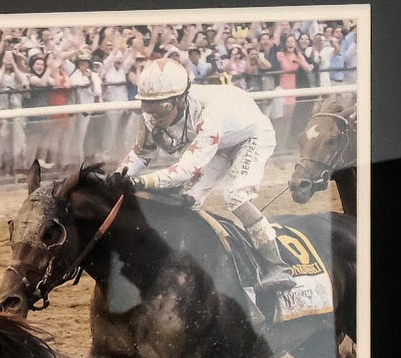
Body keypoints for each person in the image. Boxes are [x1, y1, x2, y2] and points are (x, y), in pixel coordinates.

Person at [118, 57, 292, 290]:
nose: (154, 116)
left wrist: (141, 181)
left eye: (161, 108)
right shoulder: (155, 113)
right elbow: (141, 154)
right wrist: (119, 174)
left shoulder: (210, 112)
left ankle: (277, 266)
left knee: (236, 196)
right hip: (219, 145)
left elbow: (187, 168)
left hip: (251, 139)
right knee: (186, 197)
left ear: (180, 99)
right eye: (149, 107)